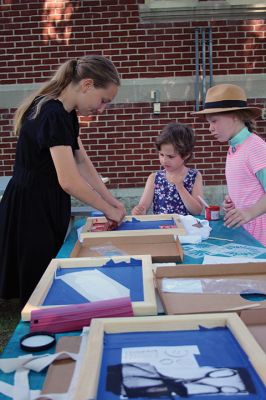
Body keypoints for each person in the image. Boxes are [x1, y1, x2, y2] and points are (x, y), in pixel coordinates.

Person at [0, 55, 126, 307]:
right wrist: (107, 209)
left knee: (50, 268)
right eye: (103, 101)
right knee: (39, 280)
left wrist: (112, 200)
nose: (102, 109)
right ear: (87, 84)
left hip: (47, 199)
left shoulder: (66, 114)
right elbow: (69, 180)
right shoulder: (52, 114)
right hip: (32, 205)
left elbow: (82, 162)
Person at [192, 83, 266, 246]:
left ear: (236, 116)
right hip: (246, 235)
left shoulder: (255, 147)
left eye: (214, 121)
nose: (210, 128)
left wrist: (248, 212)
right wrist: (234, 202)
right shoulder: (234, 149)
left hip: (261, 239)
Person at [131, 122, 203, 216]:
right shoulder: (154, 178)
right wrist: (139, 211)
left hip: (186, 229)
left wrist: (180, 188)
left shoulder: (194, 176)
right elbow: (143, 206)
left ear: (186, 155)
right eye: (161, 154)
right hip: (161, 228)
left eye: (171, 156)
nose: (164, 160)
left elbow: (197, 211)